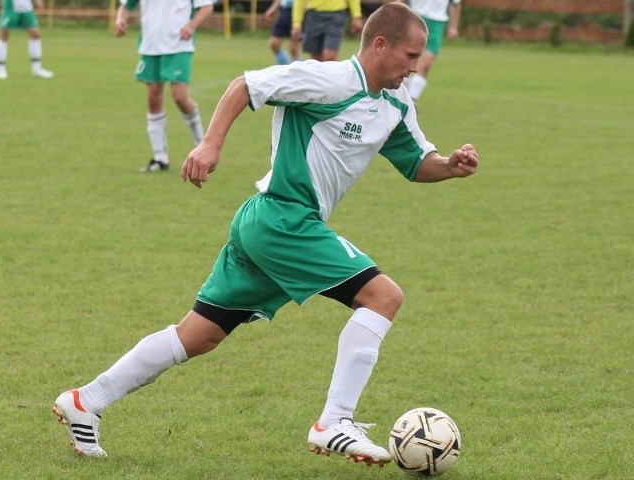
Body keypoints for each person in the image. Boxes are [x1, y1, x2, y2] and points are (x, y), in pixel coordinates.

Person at [52, 2, 479, 466]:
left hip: (272, 227)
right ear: (381, 45)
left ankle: (86, 401)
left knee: (198, 335)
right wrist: (211, 143)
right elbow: (245, 86)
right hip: (283, 219)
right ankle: (334, 421)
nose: (415, 66)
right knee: (383, 297)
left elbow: (417, 165)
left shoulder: (397, 104)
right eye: (411, 56)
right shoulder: (328, 79)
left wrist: (450, 168)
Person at [114, 0, 215, 173]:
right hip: (150, 46)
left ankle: (202, 145)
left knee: (180, 97)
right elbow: (126, 6)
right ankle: (160, 158)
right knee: (153, 98)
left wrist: (191, 26)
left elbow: (206, 7)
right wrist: (120, 20)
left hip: (179, 45)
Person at [403, 0, 461, 101]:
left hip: (436, 23)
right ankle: (401, 97)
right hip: (415, 18)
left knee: (426, 64)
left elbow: (456, 3)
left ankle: (412, 101)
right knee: (405, 62)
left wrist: (453, 27)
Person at [0, 0, 53, 80]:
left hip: (26, 8)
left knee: (35, 35)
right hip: (10, 7)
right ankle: (1, 69)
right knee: (4, 34)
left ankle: (37, 69)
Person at [291, 0, 363, 61]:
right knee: (315, 60)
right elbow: (300, 1)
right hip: (314, 16)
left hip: (336, 15)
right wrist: (296, 24)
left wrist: (356, 15)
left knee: (329, 57)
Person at [264, 0, 301, 64]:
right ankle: (285, 67)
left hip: (297, 12)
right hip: (284, 12)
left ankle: (301, 71)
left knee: (293, 49)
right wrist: (272, 8)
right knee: (274, 43)